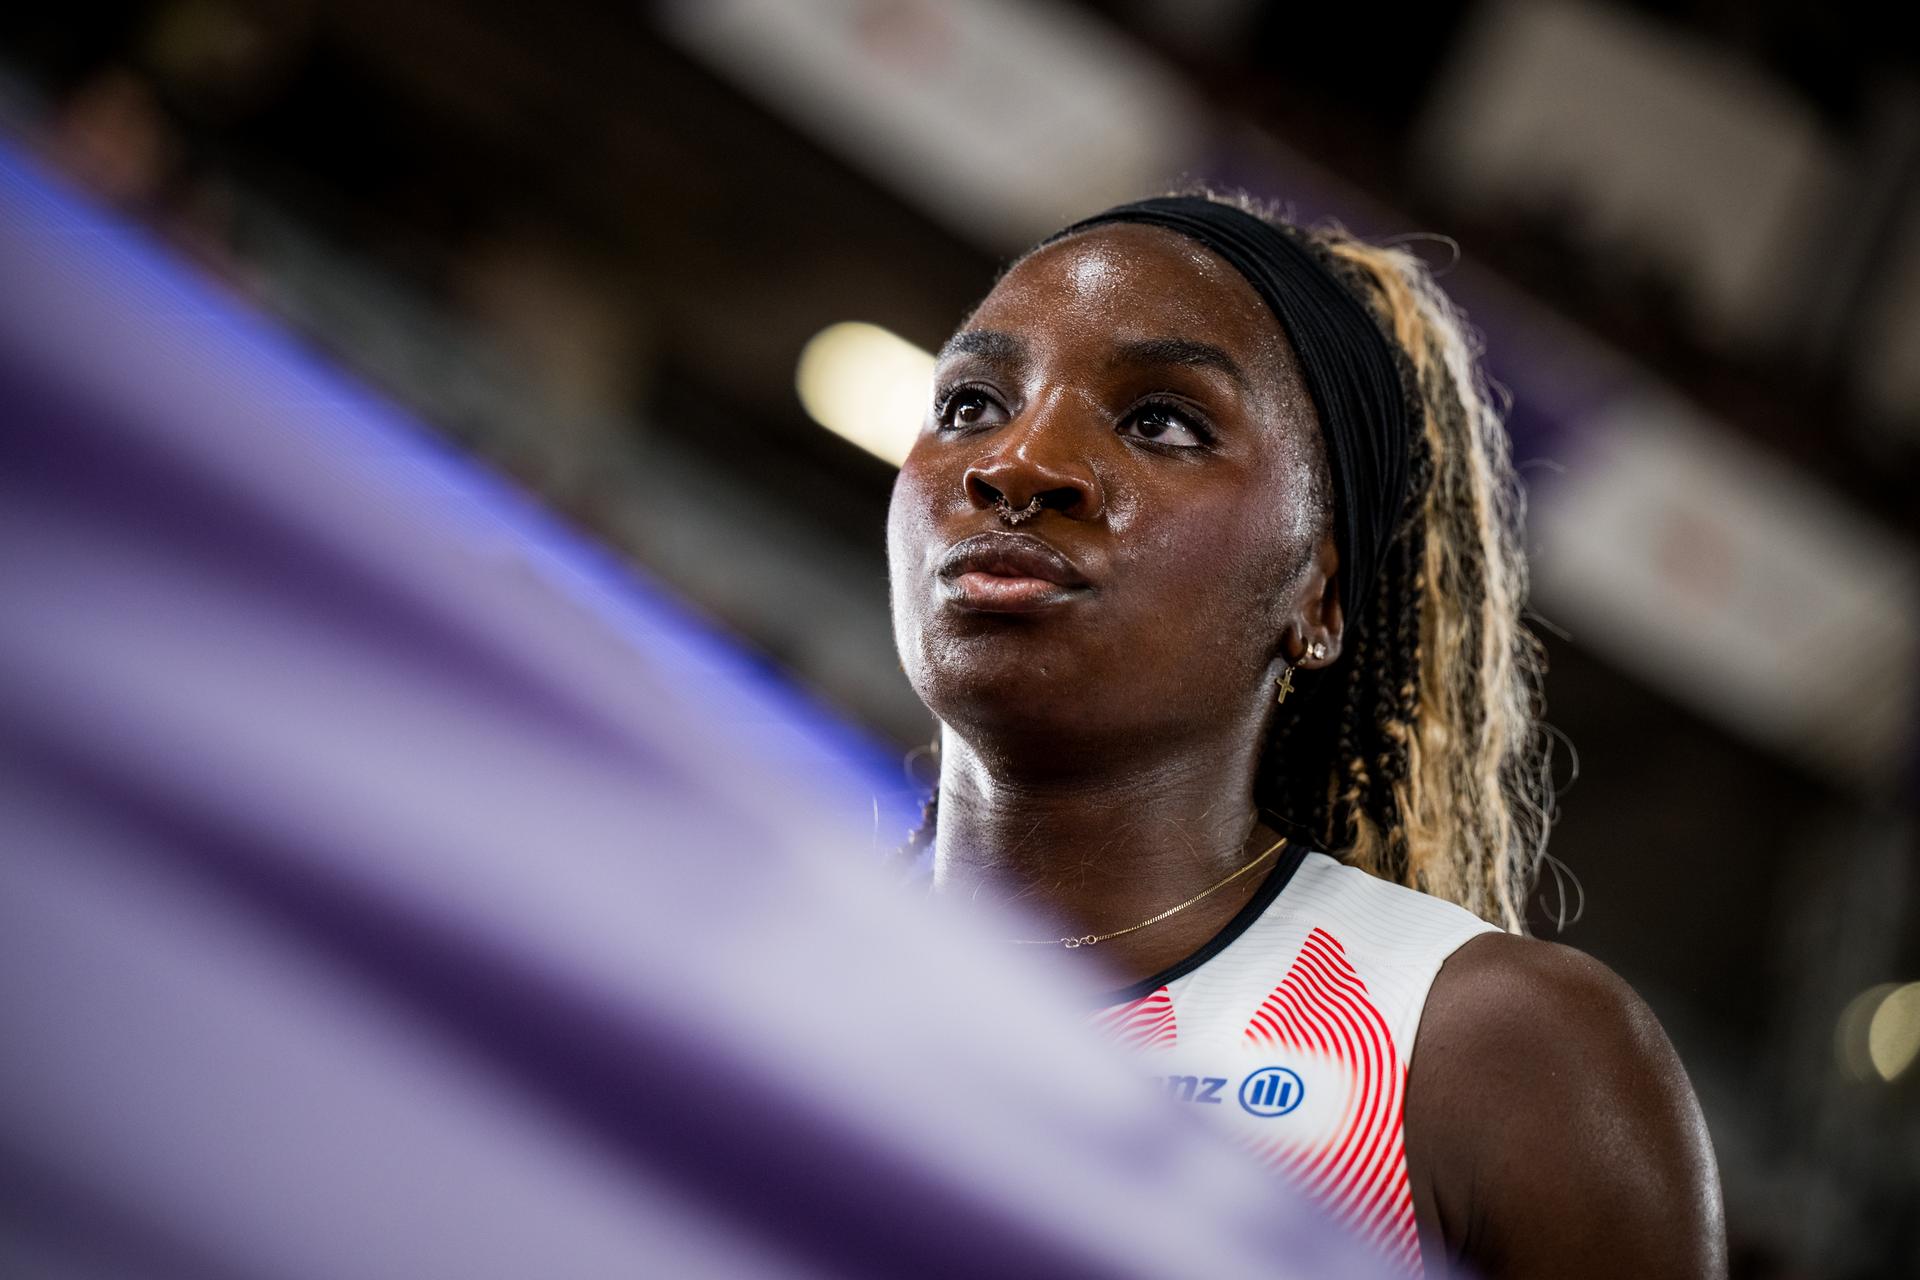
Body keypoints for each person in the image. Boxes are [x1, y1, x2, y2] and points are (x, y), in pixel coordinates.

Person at [886, 191, 1726, 1278]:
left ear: (1319, 593)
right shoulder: (738, 942)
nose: (1019, 462)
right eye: (969, 404)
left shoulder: (1494, 1055)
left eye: (1162, 422)